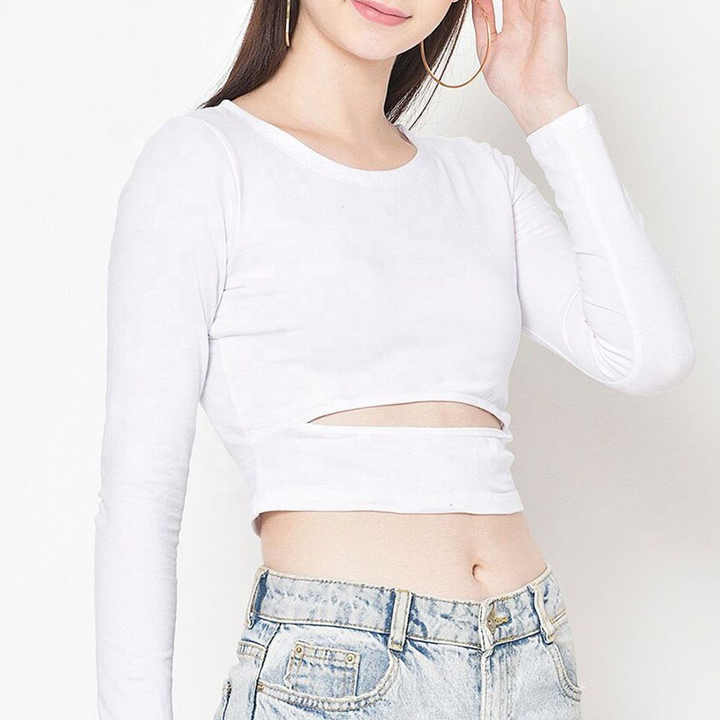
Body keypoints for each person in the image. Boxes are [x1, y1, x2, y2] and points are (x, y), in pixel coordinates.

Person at [94, 0, 695, 718]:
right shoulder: (205, 161)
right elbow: (141, 495)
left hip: (530, 660)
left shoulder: (479, 179)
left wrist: (547, 108)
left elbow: (648, 353)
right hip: (336, 671)